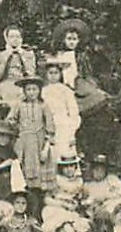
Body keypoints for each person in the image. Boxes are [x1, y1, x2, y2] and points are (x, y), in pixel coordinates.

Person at [45, 18, 111, 157]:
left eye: (75, 39)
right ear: (63, 40)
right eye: (69, 39)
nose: (72, 42)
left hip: (79, 82)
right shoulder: (58, 56)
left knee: (98, 96)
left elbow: (85, 73)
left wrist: (87, 83)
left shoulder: (81, 56)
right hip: (63, 84)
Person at [9, 75, 54, 190]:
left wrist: (46, 148)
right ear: (24, 91)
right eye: (28, 89)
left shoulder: (44, 106)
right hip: (24, 144)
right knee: (24, 172)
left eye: (34, 89)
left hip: (40, 143)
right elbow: (10, 119)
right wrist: (17, 127)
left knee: (40, 175)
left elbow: (50, 128)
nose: (31, 92)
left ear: (39, 91)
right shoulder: (19, 105)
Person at [39, 154, 90, 232]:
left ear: (75, 167)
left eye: (71, 166)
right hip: (55, 208)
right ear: (61, 168)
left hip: (71, 210)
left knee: (74, 222)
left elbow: (81, 199)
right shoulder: (56, 180)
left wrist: (78, 204)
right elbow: (46, 199)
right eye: (65, 166)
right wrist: (62, 204)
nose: (69, 169)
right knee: (60, 219)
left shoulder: (79, 181)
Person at [40, 59, 81, 163]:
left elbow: (73, 112)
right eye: (50, 73)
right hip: (47, 124)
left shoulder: (66, 91)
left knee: (64, 151)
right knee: (50, 151)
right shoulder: (43, 91)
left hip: (63, 125)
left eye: (56, 73)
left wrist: (72, 132)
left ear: (60, 74)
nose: (53, 76)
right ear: (46, 74)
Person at [0, 24, 37, 112]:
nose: (15, 39)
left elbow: (31, 74)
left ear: (21, 39)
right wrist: (7, 56)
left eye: (17, 36)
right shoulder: (1, 54)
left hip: (22, 83)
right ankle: (11, 117)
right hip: (6, 83)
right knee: (4, 93)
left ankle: (12, 117)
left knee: (24, 94)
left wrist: (22, 56)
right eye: (12, 37)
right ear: (7, 39)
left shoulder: (28, 54)